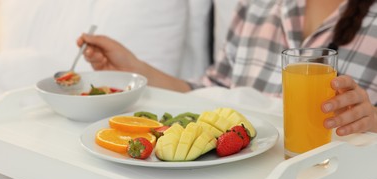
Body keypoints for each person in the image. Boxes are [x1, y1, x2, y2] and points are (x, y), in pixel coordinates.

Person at [78, 0, 377, 138]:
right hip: (230, 172)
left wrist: (371, 119)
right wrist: (134, 68)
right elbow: (212, 92)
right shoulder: (256, 6)